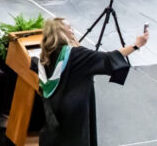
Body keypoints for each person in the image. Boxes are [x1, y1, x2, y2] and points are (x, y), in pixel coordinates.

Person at [36, 17, 147, 146]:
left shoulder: (45, 55)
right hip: (75, 110)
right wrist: (136, 45)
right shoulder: (76, 55)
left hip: (54, 108)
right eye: (69, 28)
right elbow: (108, 59)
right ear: (60, 32)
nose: (73, 31)